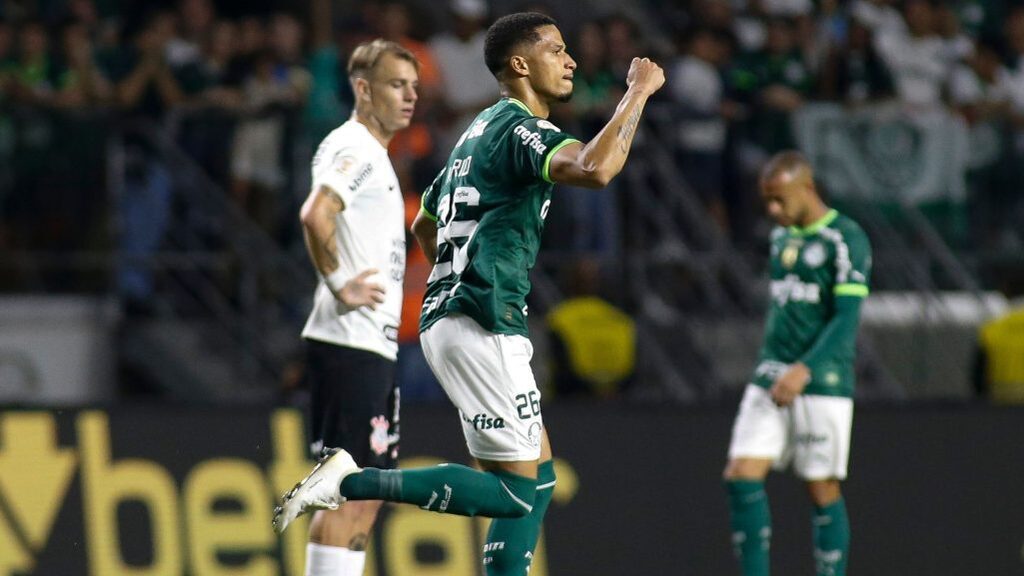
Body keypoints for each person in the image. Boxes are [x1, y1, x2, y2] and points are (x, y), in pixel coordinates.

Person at [274, 11, 664, 576]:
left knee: (541, 475)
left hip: (458, 317)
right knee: (511, 494)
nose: (572, 60)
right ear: (521, 64)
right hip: (483, 321)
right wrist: (637, 92)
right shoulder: (516, 128)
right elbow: (597, 168)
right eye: (557, 50)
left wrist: (458, 279)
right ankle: (348, 479)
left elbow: (424, 227)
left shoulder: (473, 134)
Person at [294, 39, 418, 576]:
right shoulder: (356, 148)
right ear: (363, 89)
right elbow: (316, 214)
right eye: (396, 84)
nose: (410, 96)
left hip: (365, 343)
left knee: (360, 493)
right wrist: (343, 282)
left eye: (414, 86)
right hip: (351, 341)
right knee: (350, 491)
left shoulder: (376, 153)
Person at [723, 151, 872, 576]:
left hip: (821, 380)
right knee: (740, 474)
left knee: (821, 486)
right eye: (766, 201)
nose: (772, 210)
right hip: (770, 373)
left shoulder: (845, 238)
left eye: (779, 199)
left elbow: (847, 320)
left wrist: (804, 369)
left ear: (806, 187)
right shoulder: (781, 237)